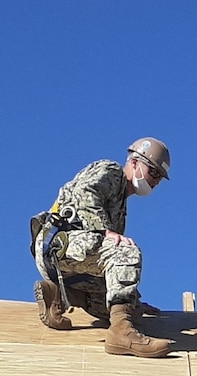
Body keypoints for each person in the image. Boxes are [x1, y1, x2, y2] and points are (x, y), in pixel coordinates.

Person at [31, 138, 174, 358]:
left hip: (72, 261)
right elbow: (85, 191)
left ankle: (60, 294)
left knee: (130, 311)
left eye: (159, 177)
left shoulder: (120, 203)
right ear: (135, 162)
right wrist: (105, 231)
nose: (155, 181)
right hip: (62, 243)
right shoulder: (111, 171)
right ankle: (121, 335)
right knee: (126, 250)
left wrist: (133, 300)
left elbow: (112, 267)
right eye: (152, 172)